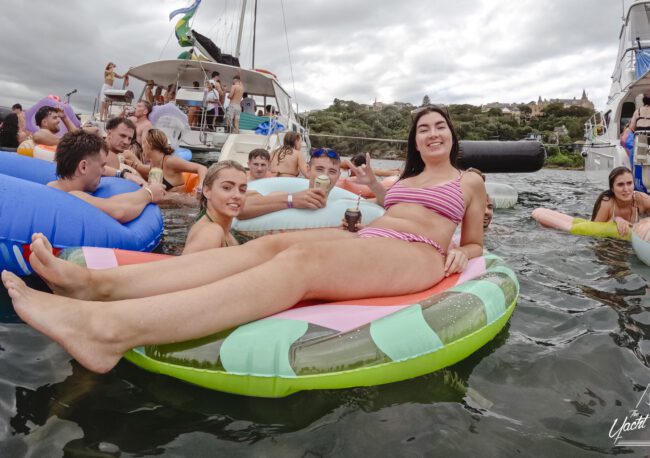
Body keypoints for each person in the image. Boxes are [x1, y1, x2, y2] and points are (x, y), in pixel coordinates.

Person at [1, 106, 485, 375]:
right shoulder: (403, 179)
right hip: (374, 241)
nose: (432, 133)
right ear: (416, 142)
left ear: (451, 135)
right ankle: (97, 287)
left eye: (439, 125)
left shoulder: (469, 180)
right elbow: (378, 201)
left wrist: (464, 250)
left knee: (301, 268)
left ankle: (110, 329)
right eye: (423, 129)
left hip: (417, 256)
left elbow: (476, 243)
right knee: (269, 247)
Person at [47, 130, 165, 223]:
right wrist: (149, 193)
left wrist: (123, 174)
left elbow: (99, 170)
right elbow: (119, 211)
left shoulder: (52, 186)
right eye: (102, 165)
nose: (103, 171)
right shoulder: (74, 196)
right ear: (83, 167)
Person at [182, 162, 248, 254]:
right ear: (207, 191)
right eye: (227, 187)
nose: (237, 195)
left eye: (242, 190)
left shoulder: (225, 233)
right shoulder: (210, 233)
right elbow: (185, 267)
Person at [124, 128, 207, 194]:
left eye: (143, 143)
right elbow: (141, 167)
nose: (142, 148)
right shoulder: (154, 164)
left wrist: (201, 187)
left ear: (150, 145)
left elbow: (201, 168)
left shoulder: (170, 162)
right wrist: (125, 161)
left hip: (183, 205)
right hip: (168, 205)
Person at [591, 166, 650, 237]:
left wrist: (645, 222)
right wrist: (614, 220)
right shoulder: (607, 203)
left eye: (629, 183)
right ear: (612, 188)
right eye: (620, 184)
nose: (626, 189)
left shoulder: (641, 199)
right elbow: (593, 232)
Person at [102, 117, 146, 186]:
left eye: (129, 138)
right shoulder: (107, 155)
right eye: (122, 135)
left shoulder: (123, 154)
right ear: (109, 133)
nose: (126, 142)